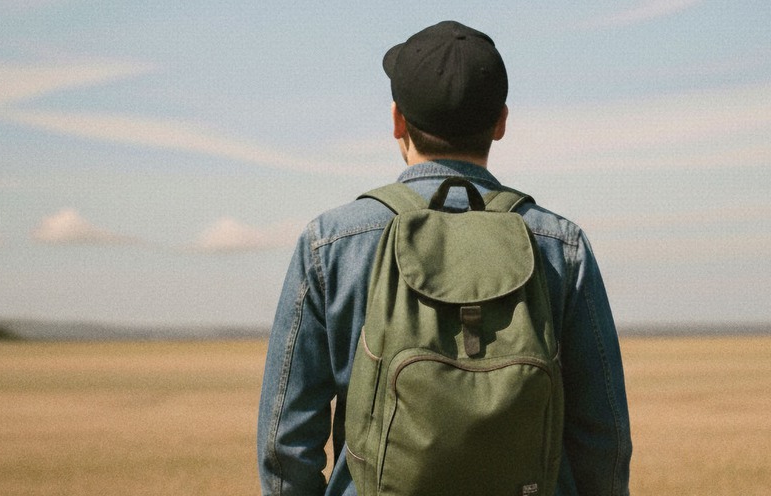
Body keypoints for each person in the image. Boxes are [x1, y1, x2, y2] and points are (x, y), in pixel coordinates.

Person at [256, 20, 632, 496]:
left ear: (397, 121)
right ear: (501, 123)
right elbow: (602, 438)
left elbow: (286, 444)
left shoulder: (330, 242)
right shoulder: (562, 245)